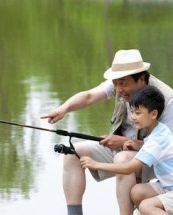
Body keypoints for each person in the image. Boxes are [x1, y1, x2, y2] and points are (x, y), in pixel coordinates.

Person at [41, 49, 173, 215]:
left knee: (122, 159)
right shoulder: (119, 85)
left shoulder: (167, 100)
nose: (118, 90)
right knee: (73, 152)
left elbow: (168, 145)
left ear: (141, 79)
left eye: (123, 83)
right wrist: (63, 108)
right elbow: (89, 96)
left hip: (154, 159)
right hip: (123, 150)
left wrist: (124, 142)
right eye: (115, 83)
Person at [81, 85, 173, 215]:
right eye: (132, 111)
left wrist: (95, 164)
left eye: (138, 113)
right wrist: (138, 146)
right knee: (137, 192)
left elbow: (128, 168)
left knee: (146, 207)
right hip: (167, 186)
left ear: (153, 114)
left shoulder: (156, 139)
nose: (133, 117)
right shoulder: (159, 130)